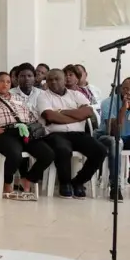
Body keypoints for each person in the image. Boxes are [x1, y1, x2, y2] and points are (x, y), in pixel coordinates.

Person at [0, 72, 55, 201]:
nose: (5, 84)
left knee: (48, 154)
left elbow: (31, 116)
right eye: (2, 81)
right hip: (1, 134)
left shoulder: (18, 99)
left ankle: (28, 179)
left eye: (8, 82)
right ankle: (7, 185)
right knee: (15, 153)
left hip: (23, 132)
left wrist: (32, 123)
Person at [32, 69, 106, 198]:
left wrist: (61, 112)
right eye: (50, 79)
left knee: (100, 150)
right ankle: (65, 183)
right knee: (63, 149)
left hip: (78, 134)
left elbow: (88, 112)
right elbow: (50, 116)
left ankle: (78, 182)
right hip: (55, 134)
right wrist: (76, 115)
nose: (53, 82)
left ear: (64, 80)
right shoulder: (43, 96)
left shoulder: (76, 95)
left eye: (57, 79)